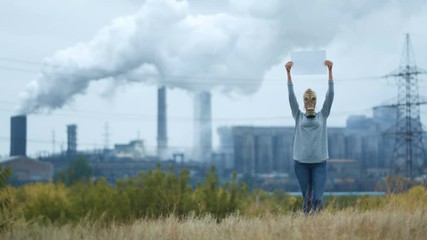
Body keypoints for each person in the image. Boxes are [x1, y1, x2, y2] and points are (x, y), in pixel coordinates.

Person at [285, 60, 334, 214]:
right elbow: (291, 96)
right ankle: (307, 230)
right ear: (303, 102)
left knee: (318, 199)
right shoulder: (298, 115)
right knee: (307, 198)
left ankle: (319, 230)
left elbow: (330, 95)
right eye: (307, 99)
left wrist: (330, 70)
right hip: (301, 164)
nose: (310, 102)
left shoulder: (323, 115)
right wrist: (288, 73)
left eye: (313, 99)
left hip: (319, 163)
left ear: (316, 101)